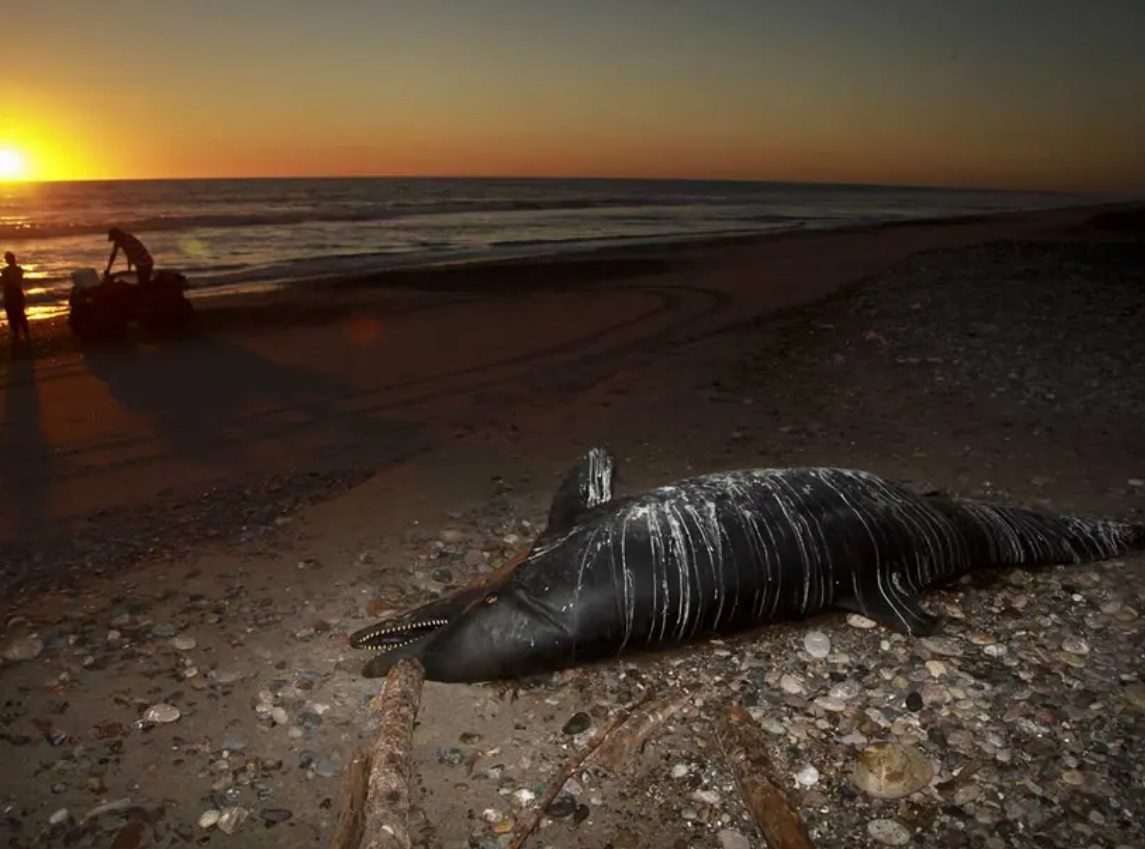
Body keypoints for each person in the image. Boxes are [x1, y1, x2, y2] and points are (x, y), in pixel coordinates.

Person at [2, 251, 30, 347]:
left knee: (15, 314)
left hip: (12, 293)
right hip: (15, 293)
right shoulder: (18, 270)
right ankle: (22, 334)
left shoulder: (6, 271)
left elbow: (7, 282)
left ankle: (18, 334)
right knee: (18, 314)